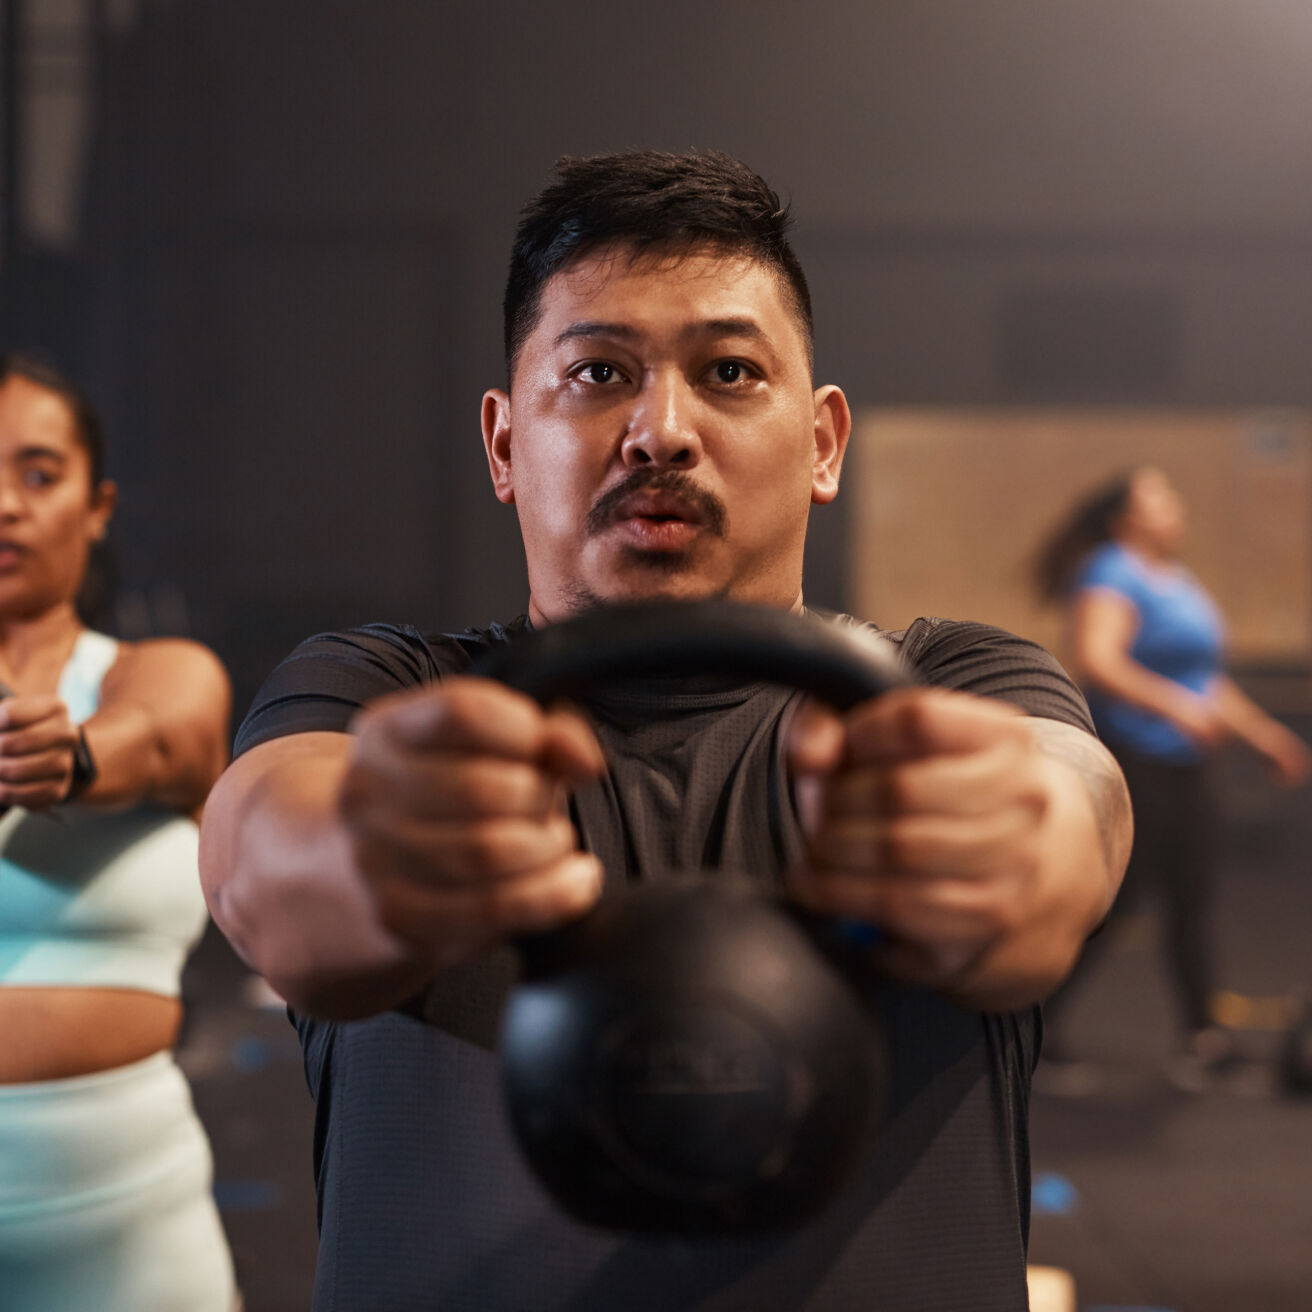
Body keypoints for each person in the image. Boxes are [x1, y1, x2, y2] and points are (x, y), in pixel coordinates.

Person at [199, 150, 1132, 1311]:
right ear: (502, 445)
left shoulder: (945, 691)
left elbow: (1068, 809)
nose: (661, 431)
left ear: (825, 440)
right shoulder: (386, 696)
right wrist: (371, 848)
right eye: (598, 372)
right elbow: (263, 857)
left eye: (730, 371)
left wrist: (1002, 834)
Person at [0, 356, 238, 1310]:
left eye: (39, 472)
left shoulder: (159, 671)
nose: (7, 505)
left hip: (127, 1243)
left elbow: (157, 740)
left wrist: (71, 759)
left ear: (97, 508)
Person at [1033, 465, 1310, 1092]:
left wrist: (1262, 733)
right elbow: (1099, 661)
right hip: (1136, 761)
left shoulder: (1177, 581)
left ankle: (1202, 1040)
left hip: (1187, 765)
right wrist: (1175, 708)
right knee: (1115, 900)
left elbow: (1205, 684)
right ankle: (1034, 1035)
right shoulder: (1111, 571)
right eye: (1160, 496)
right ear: (1127, 517)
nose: (1175, 505)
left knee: (1192, 897)